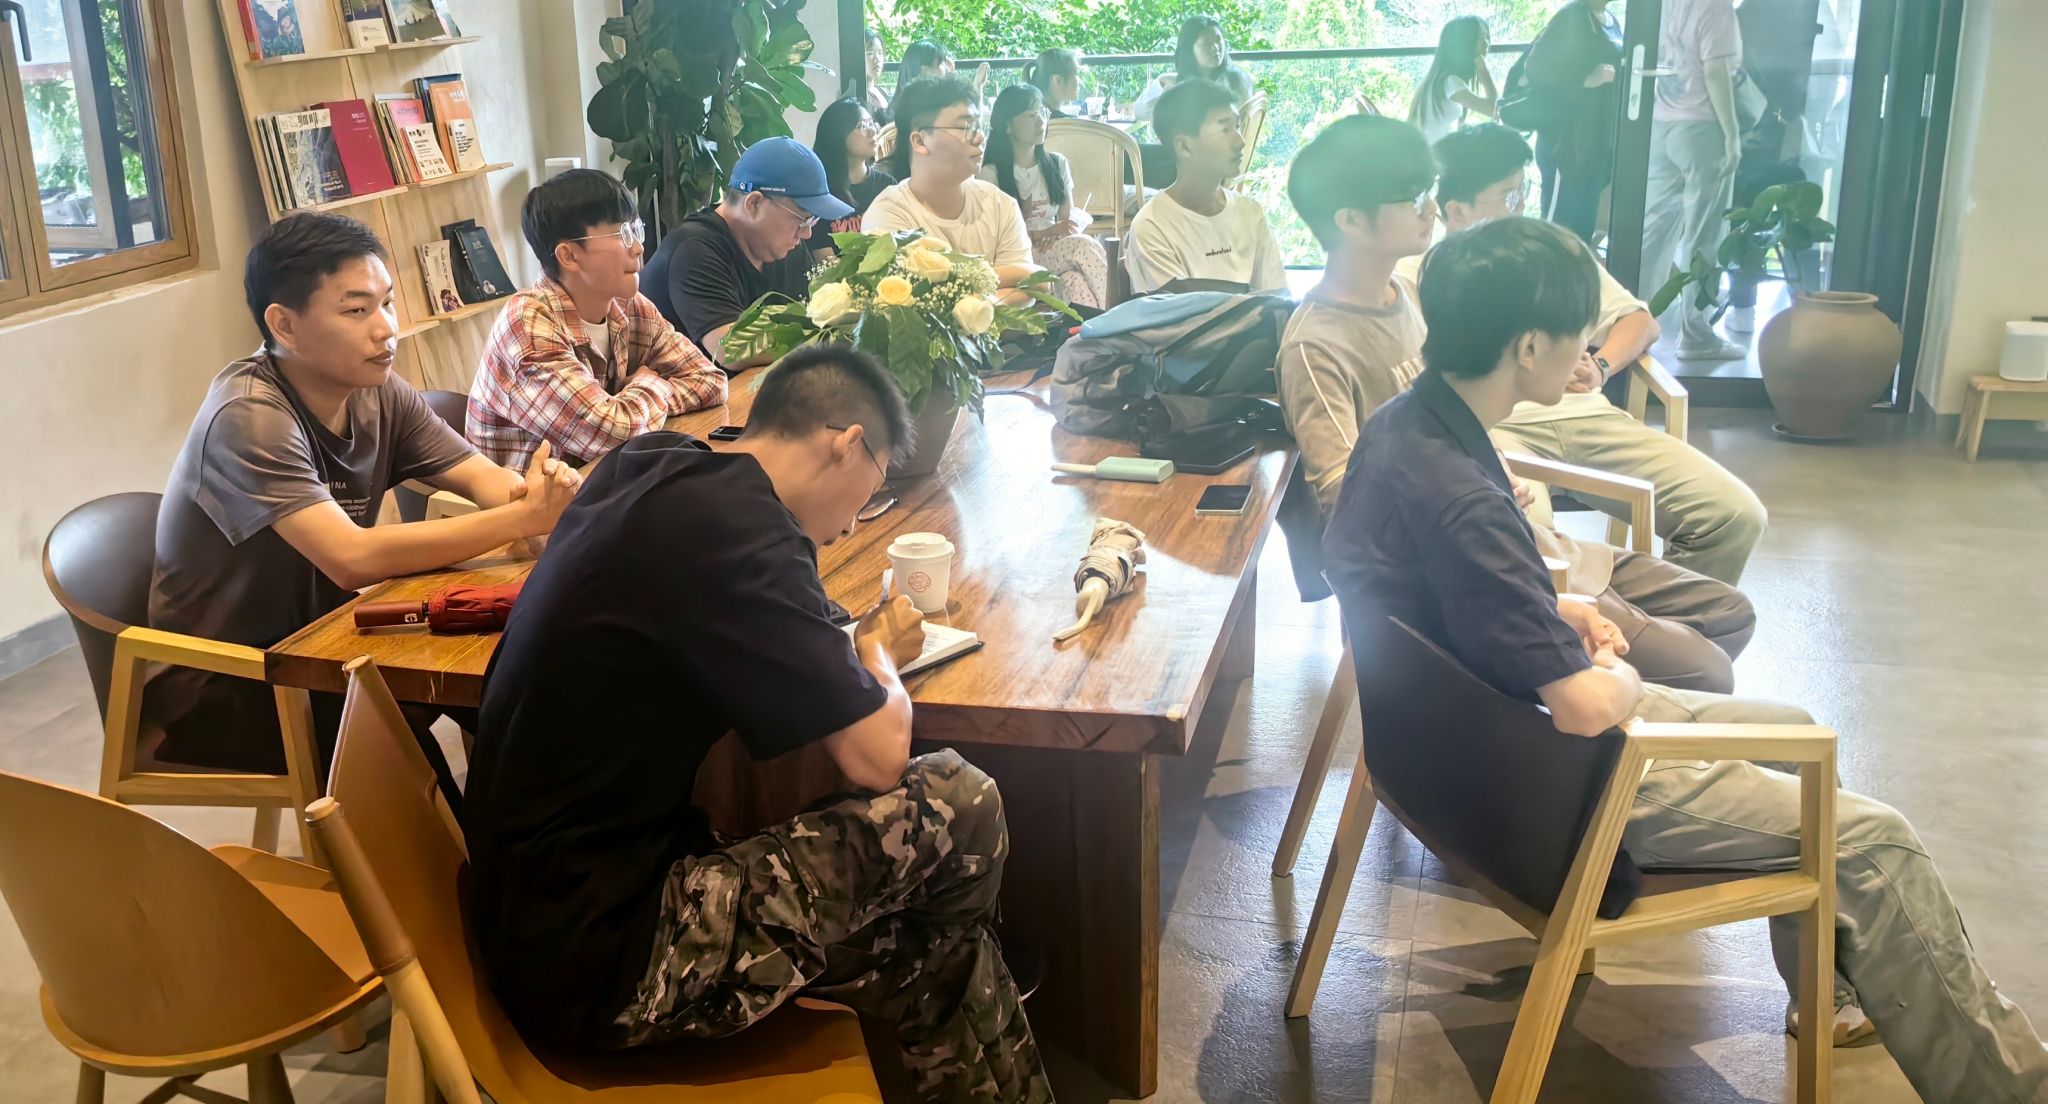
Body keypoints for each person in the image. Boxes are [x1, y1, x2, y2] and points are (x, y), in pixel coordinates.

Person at [1321, 214, 2048, 1100]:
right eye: (1579, 335)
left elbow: (1438, 597)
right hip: (1557, 779)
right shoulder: (1464, 494)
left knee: (1798, 730)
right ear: (1529, 346)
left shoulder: (1405, 428)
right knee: (1875, 839)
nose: (1586, 354)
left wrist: (1556, 611)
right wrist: (1621, 677)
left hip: (1469, 748)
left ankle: (1832, 998)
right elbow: (1585, 709)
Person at [463, 345, 1052, 1103]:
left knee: (941, 959)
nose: (850, 528)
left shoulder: (651, 464)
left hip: (538, 925)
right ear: (847, 444)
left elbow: (749, 621)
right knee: (958, 799)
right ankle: (971, 937)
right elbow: (876, 757)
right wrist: (879, 654)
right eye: (869, 493)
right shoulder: (747, 532)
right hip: (614, 956)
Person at [1280, 116, 1751, 693]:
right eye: (1414, 198)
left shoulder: (1406, 297)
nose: (1431, 209)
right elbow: (1344, 497)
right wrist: (1472, 506)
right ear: (1351, 220)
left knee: (1728, 615)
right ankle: (1595, 714)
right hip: (1465, 563)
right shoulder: (1315, 345)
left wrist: (1492, 470)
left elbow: (1447, 420)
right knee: (1705, 667)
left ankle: (1618, 709)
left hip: (1503, 528)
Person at [147, 211, 582, 778]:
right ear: (284, 325)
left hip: (331, 641)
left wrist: (538, 494)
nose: (385, 329)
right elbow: (351, 559)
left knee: (528, 683)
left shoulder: (377, 390)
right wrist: (523, 518)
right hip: (236, 681)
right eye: (356, 311)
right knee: (413, 748)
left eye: (388, 303)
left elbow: (482, 478)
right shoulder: (248, 417)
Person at [1408, 123, 1766, 584]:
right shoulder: (1420, 273)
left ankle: (1658, 624)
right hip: (1495, 429)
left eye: (1525, 189)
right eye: (1508, 195)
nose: (1522, 205)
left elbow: (1639, 321)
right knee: (1525, 536)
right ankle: (1564, 625)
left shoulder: (1552, 254)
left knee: (1734, 516)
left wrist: (1599, 365)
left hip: (1585, 416)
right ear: (1456, 210)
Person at [468, 170, 726, 471]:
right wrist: (650, 383)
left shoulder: (627, 305)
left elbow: (711, 381)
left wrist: (638, 403)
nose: (638, 247)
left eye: (636, 229)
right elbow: (613, 436)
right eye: (621, 234)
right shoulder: (527, 326)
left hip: (606, 482)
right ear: (569, 256)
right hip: (532, 497)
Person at [637, 139, 851, 368]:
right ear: (754, 203)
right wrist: (832, 339)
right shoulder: (694, 249)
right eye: (802, 219)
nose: (807, 234)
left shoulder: (784, 246)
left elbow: (818, 311)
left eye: (812, 221)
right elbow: (731, 349)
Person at [866, 76, 1046, 306]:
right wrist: (1006, 280)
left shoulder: (999, 204)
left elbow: (1032, 288)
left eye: (978, 126)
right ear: (920, 141)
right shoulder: (889, 214)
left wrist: (965, 298)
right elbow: (911, 303)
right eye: (964, 128)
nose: (979, 137)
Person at [1640, 0, 1750, 360]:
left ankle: (1629, 325)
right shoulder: (1714, 7)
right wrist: (1732, 135)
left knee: (1654, 231)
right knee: (1703, 234)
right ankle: (1696, 336)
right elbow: (1716, 72)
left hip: (1661, 126)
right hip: (1701, 128)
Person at [1124, 79, 1285, 295]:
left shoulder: (1251, 213)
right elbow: (1181, 313)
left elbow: (1278, 298)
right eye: (1225, 129)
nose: (1240, 142)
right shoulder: (1153, 226)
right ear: (1184, 146)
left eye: (1236, 127)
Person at [982, 84, 1107, 308]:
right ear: (1007, 125)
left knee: (1075, 281)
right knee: (1083, 246)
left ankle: (1094, 326)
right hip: (1019, 261)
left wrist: (1057, 232)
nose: (1041, 121)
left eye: (1043, 112)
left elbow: (1067, 220)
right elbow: (995, 239)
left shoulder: (1057, 164)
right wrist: (1043, 233)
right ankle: (1118, 314)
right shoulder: (991, 175)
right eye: (1031, 115)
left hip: (1056, 251)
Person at [1520, 0, 1621, 241]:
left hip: (1594, 142)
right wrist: (1586, 78)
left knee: (1581, 227)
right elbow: (1535, 67)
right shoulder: (1573, 16)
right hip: (1566, 143)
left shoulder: (1611, 20)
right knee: (1558, 228)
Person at [1131, 15, 1253, 125]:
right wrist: (1162, 80)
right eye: (1207, 43)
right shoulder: (1180, 82)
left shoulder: (1235, 80)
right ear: (1189, 50)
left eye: (1218, 40)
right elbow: (1139, 112)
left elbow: (1232, 128)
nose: (1216, 48)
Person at [1408, 15, 1498, 142]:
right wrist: (1483, 71)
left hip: (1428, 151)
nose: (1487, 44)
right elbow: (1495, 110)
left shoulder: (1438, 79)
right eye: (1481, 38)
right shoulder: (1450, 82)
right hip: (1433, 153)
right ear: (1466, 44)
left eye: (1487, 38)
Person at [813, 98, 896, 226]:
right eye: (862, 126)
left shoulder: (886, 185)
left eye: (871, 124)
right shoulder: (821, 190)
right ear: (838, 134)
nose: (872, 131)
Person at [1024, 47, 1082, 116]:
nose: (1080, 82)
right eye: (1077, 73)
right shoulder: (1066, 122)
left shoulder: (1032, 116)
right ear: (1058, 80)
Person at [861, 29, 891, 124]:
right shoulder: (858, 96)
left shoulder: (882, 92)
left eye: (880, 53)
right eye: (870, 53)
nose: (877, 59)